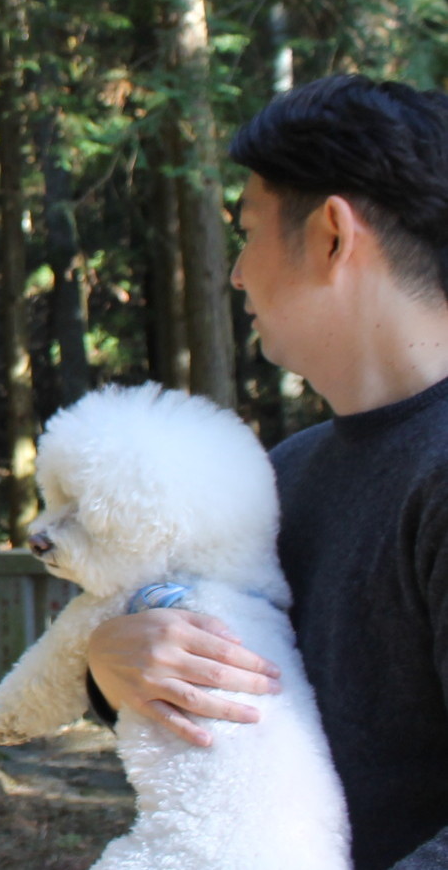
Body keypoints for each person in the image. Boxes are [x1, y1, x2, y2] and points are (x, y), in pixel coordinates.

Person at [86, 74, 448, 870]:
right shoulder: (278, 474)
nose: (237, 275)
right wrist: (112, 661)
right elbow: (201, 672)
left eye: (247, 232)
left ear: (329, 235)